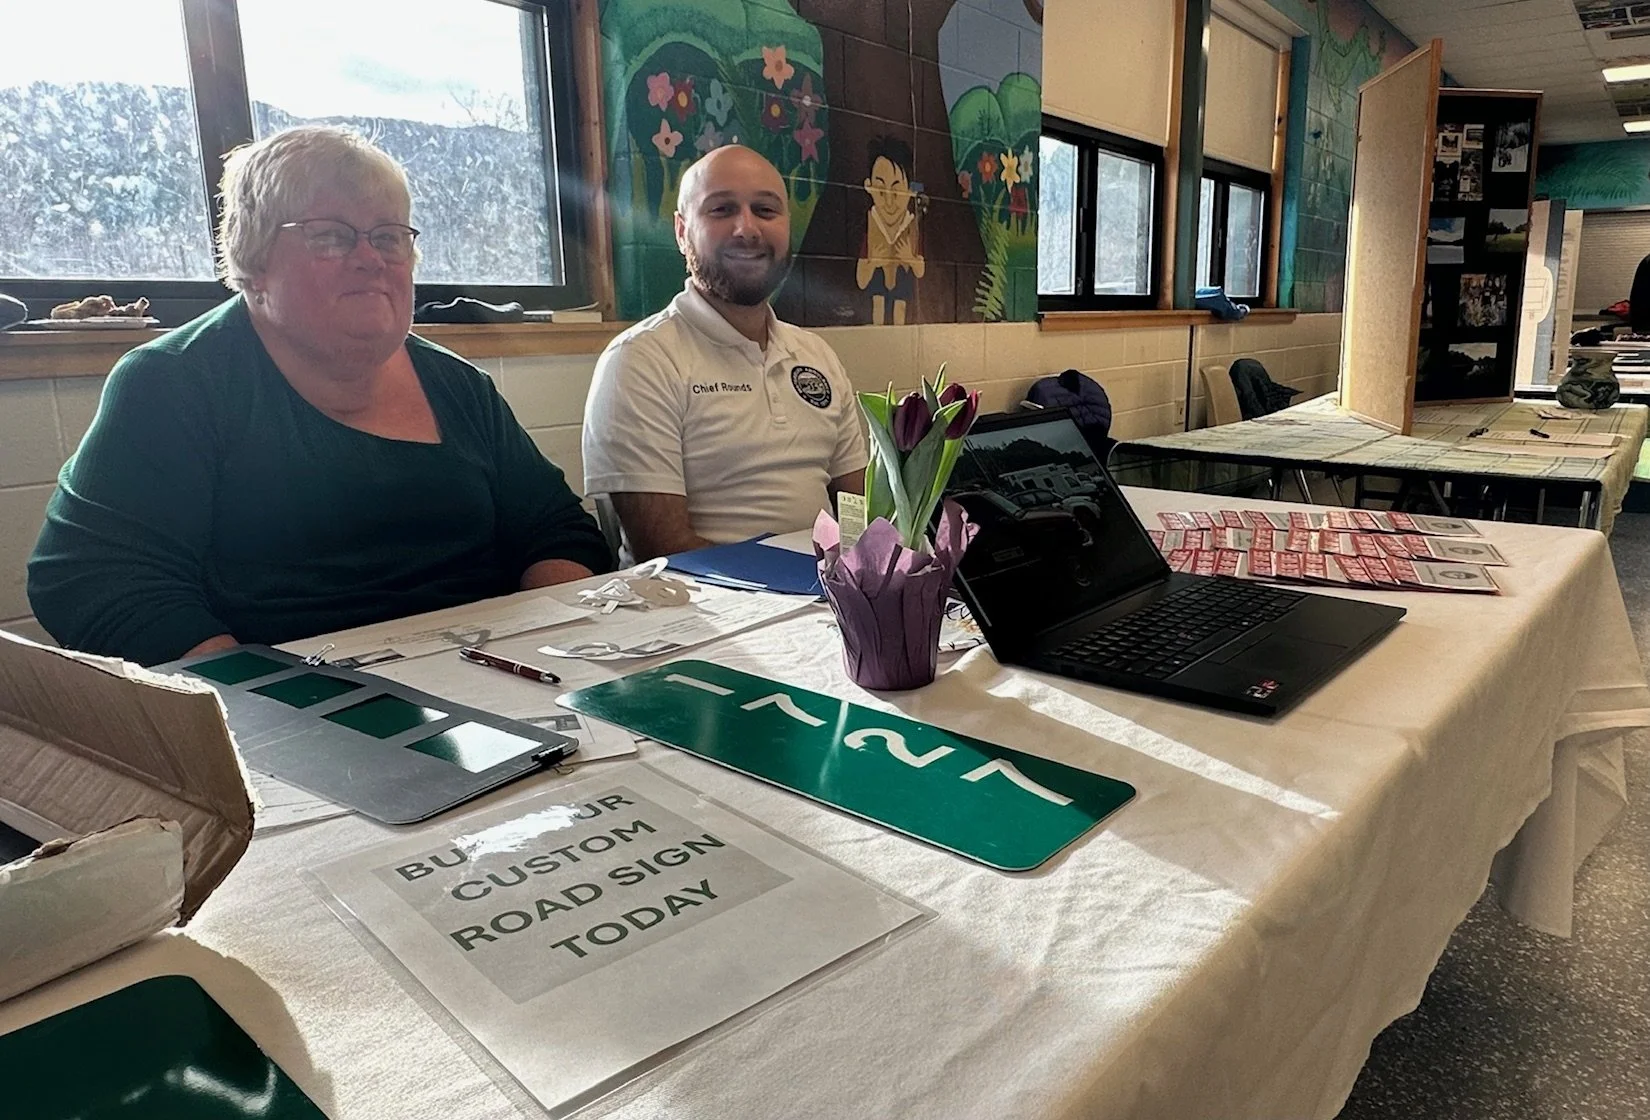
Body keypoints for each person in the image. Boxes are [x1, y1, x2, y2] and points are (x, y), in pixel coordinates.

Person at [28, 126, 612, 666]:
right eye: (330, 237)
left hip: (493, 683)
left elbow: (559, 531)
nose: (370, 258)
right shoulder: (173, 384)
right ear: (253, 262)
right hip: (285, 712)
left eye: (389, 237)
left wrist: (543, 645)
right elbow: (94, 579)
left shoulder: (459, 387)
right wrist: (268, 703)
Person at [582, 144, 866, 560]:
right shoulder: (640, 361)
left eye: (766, 211)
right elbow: (663, 550)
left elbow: (855, 504)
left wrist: (863, 568)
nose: (746, 229)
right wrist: (805, 580)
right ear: (682, 232)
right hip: (706, 613)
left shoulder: (817, 355)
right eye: (721, 210)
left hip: (828, 600)